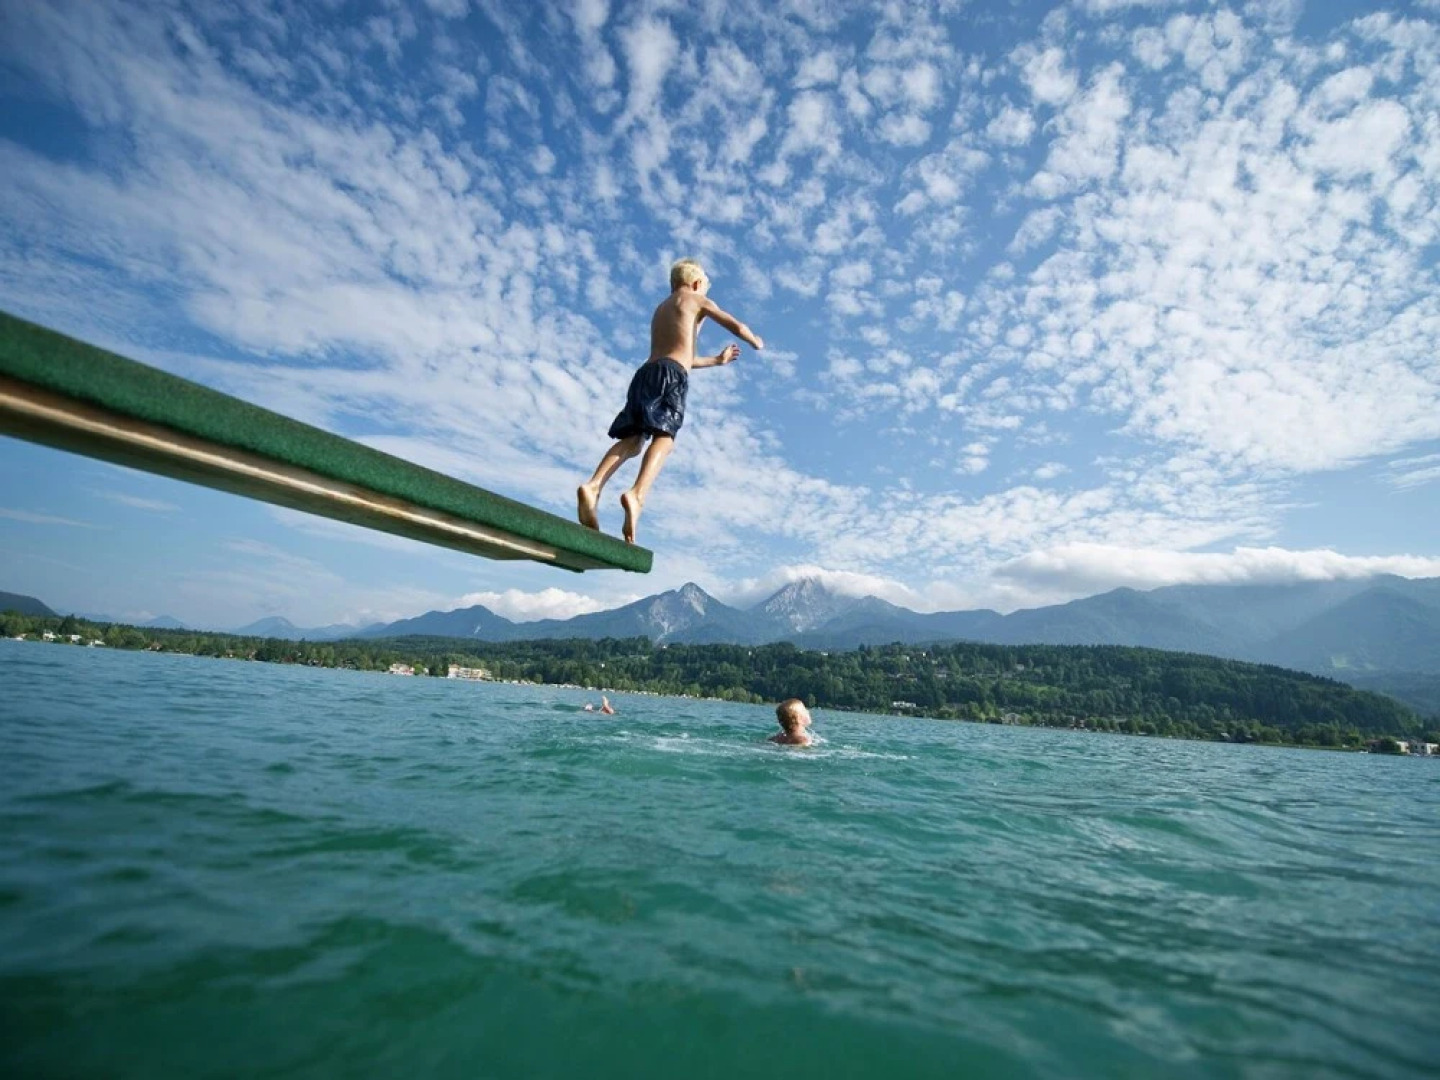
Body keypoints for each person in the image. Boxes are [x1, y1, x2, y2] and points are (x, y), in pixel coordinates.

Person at [578, 257, 764, 544]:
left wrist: (716, 360)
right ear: (697, 284)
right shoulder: (697, 299)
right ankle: (637, 495)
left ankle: (593, 486)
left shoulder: (661, 309)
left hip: (646, 373)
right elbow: (735, 326)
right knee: (665, 437)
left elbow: (681, 354)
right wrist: (755, 341)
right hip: (672, 375)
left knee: (633, 440)